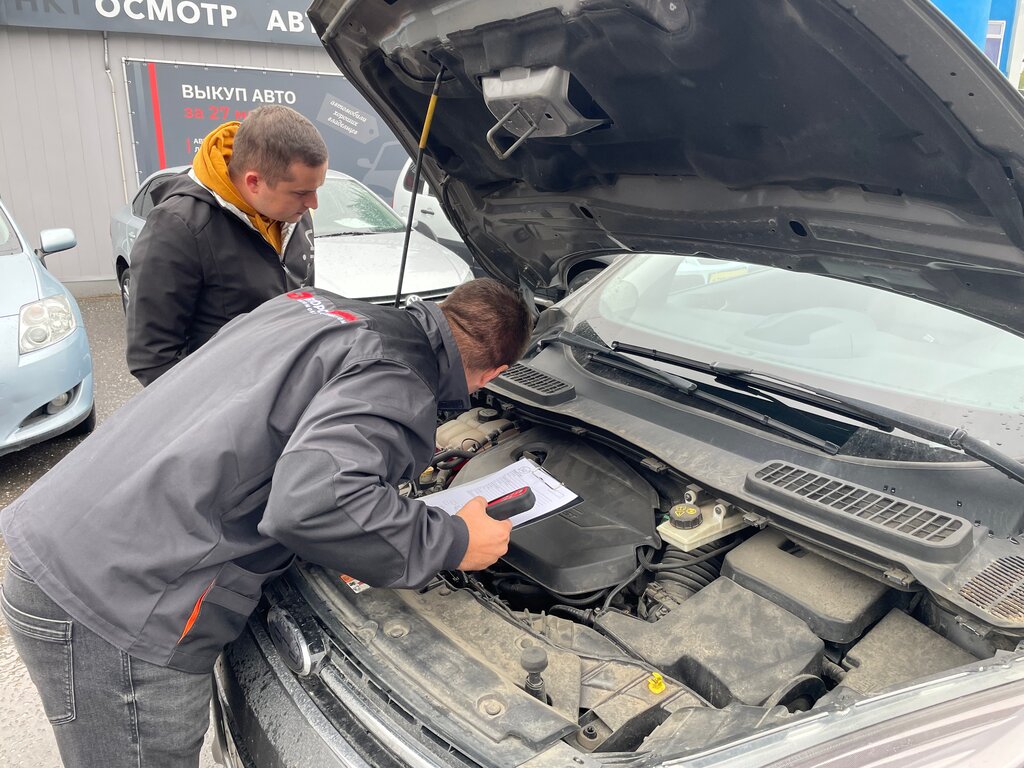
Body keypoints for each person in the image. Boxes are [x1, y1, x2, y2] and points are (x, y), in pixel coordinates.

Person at [0, 278, 533, 768]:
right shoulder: (398, 376)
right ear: (497, 373)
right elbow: (315, 502)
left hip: (78, 529)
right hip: (117, 601)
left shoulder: (314, 305)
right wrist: (455, 539)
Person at [126, 104, 329, 386]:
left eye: (316, 189)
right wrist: (219, 407)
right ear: (254, 182)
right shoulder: (179, 226)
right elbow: (153, 357)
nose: (313, 204)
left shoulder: (293, 214)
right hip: (225, 400)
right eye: (302, 192)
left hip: (285, 388)